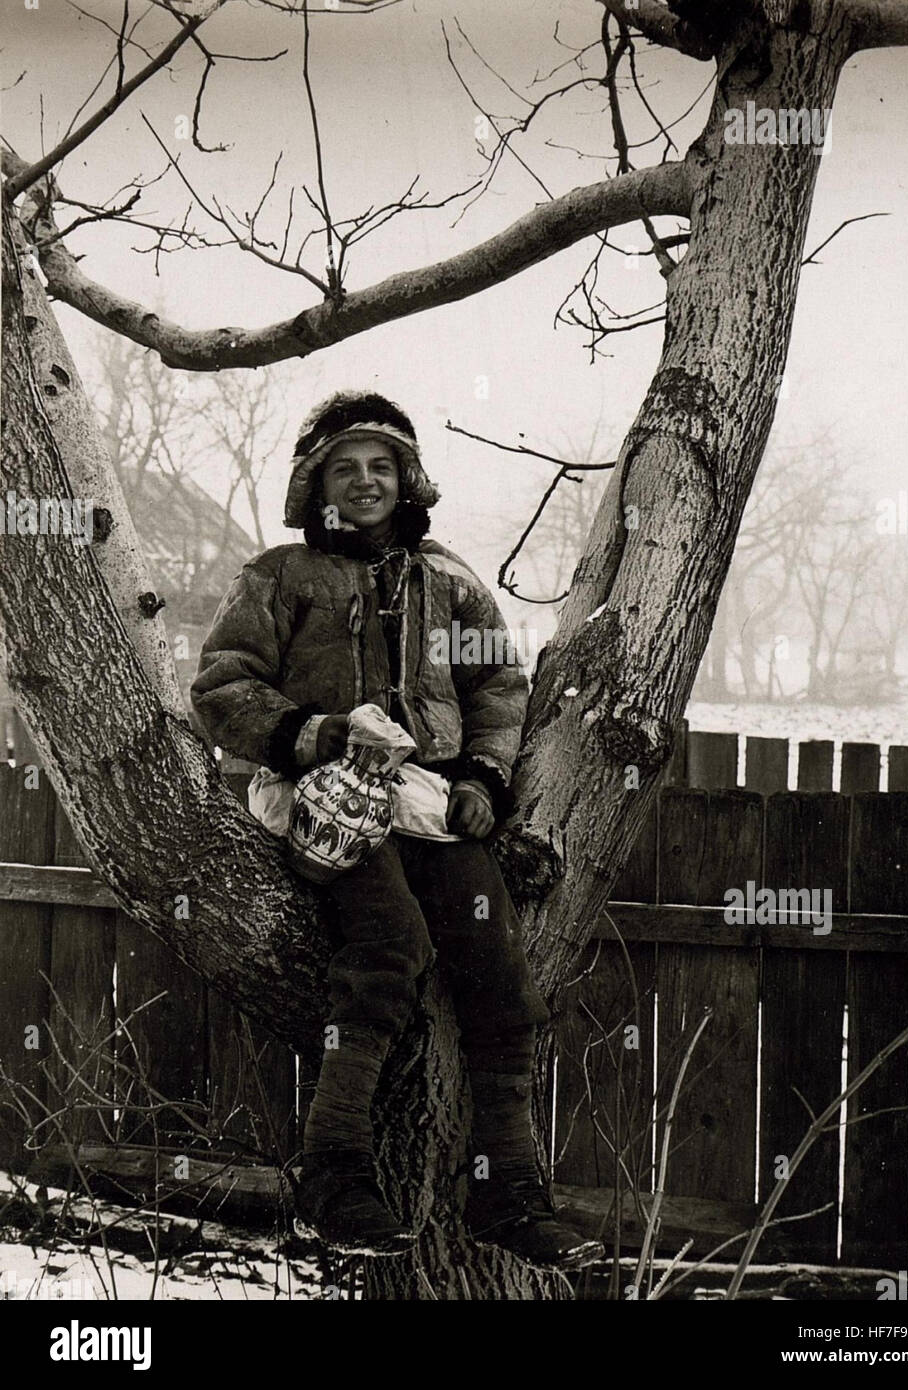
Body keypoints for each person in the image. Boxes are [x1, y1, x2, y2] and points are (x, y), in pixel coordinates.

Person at [190, 390, 603, 1271]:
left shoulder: (449, 580)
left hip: (431, 800)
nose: (367, 482)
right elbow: (222, 685)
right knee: (388, 949)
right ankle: (335, 1176)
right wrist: (320, 732)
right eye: (347, 468)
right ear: (317, 485)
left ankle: (509, 1194)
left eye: (382, 466)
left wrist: (486, 778)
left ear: (408, 478)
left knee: (499, 976)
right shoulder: (277, 578)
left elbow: (498, 690)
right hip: (325, 793)